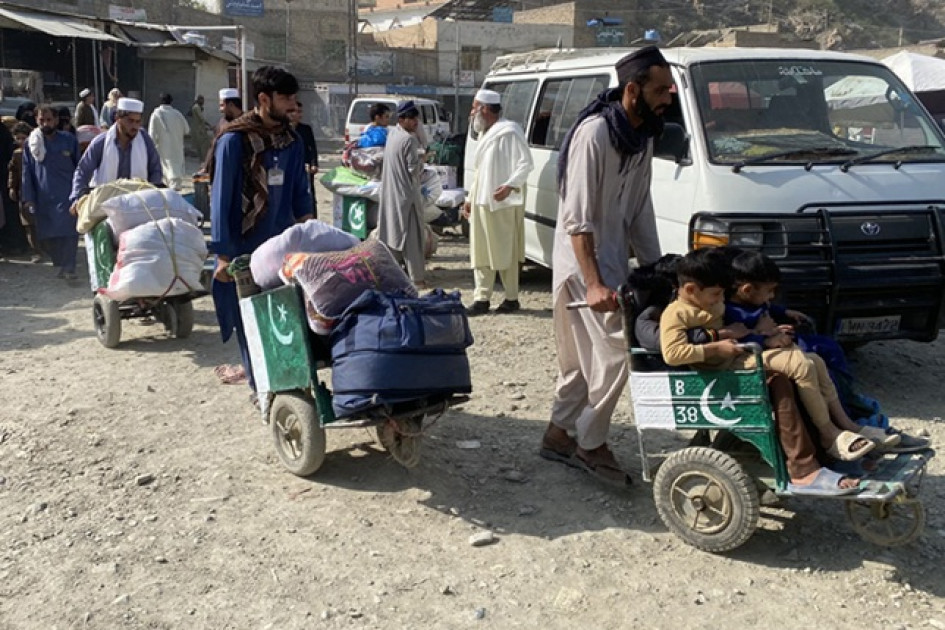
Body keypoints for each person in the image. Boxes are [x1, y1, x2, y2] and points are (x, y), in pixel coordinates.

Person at [541, 46, 673, 486]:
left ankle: (558, 434)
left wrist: (659, 272)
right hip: (584, 270)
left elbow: (639, 209)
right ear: (631, 90)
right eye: (660, 90)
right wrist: (594, 283)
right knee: (619, 351)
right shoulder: (595, 134)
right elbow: (576, 217)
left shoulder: (643, 138)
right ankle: (590, 443)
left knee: (582, 362)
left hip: (614, 265)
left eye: (669, 90)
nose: (667, 98)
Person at [629, 253, 859, 494]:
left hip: (735, 357)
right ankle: (816, 451)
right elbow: (673, 353)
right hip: (717, 370)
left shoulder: (711, 300)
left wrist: (763, 328)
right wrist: (717, 345)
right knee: (798, 365)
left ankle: (825, 445)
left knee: (801, 369)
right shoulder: (675, 314)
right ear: (689, 289)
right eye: (717, 294)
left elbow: (741, 320)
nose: (721, 299)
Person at [724, 250, 927, 454]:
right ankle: (847, 426)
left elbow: (769, 309)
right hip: (766, 351)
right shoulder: (731, 311)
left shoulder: (754, 301)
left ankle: (856, 419)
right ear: (746, 289)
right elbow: (738, 336)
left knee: (829, 350)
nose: (771, 297)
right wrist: (764, 335)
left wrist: (784, 314)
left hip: (780, 343)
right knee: (815, 365)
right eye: (769, 291)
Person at [208, 66, 313, 395]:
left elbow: (300, 192)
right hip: (244, 249)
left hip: (283, 247)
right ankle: (262, 388)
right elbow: (222, 199)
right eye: (285, 99)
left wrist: (310, 231)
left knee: (288, 313)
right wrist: (223, 255)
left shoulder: (291, 141)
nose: (291, 106)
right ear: (264, 99)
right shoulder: (234, 141)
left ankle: (291, 382)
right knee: (250, 319)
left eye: (294, 99)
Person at [462, 88, 534, 316]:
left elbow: (525, 164)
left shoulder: (510, 131)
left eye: (475, 108)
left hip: (502, 204)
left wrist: (510, 185)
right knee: (481, 252)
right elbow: (479, 172)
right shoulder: (486, 133)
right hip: (482, 201)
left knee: (507, 253)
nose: (472, 113)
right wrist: (470, 198)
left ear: (484, 108)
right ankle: (482, 298)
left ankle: (511, 298)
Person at [70, 97, 163, 209]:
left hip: (138, 205)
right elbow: (83, 171)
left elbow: (155, 169)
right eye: (130, 121)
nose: (134, 126)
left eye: (138, 122)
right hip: (105, 205)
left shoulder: (145, 141)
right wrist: (77, 198)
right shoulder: (101, 142)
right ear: (117, 118)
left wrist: (152, 195)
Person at [21, 107, 80, 279]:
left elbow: (80, 168)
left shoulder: (68, 140)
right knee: (48, 237)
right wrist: (28, 198)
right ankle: (61, 264)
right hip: (43, 198)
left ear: (55, 120)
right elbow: (27, 173)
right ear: (37, 120)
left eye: (49, 120)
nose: (45, 123)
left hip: (67, 196)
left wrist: (81, 192)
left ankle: (69, 267)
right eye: (41, 120)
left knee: (69, 233)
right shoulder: (32, 143)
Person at [378, 100, 427, 288]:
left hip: (392, 193)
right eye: (412, 119)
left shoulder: (393, 134)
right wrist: (423, 160)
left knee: (392, 234)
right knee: (412, 238)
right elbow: (414, 170)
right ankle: (418, 278)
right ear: (402, 119)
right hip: (407, 195)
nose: (416, 122)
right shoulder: (409, 139)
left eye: (416, 118)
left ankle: (390, 273)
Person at [8, 122, 44, 263]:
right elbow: (13, 172)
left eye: (24, 138)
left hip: (40, 191)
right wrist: (12, 187)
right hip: (24, 192)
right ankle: (36, 251)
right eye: (18, 138)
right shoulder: (17, 155)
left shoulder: (38, 151)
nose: (21, 141)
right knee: (29, 224)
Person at [148, 93, 190, 191]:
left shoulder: (156, 114)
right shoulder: (177, 114)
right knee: (174, 177)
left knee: (167, 175)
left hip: (163, 150)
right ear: (171, 101)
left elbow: (151, 136)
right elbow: (187, 130)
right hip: (177, 149)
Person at [290, 99, 319, 216]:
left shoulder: (305, 129)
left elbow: (312, 148)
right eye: (296, 111)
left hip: (305, 168)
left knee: (309, 195)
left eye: (300, 112)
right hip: (290, 168)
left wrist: (314, 163)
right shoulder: (283, 130)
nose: (299, 115)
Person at [190, 94, 212, 166]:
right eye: (202, 100)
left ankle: (203, 161)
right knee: (204, 146)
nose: (203, 101)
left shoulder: (197, 107)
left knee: (202, 146)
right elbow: (201, 119)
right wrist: (209, 125)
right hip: (200, 131)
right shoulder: (196, 107)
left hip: (200, 130)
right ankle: (203, 161)